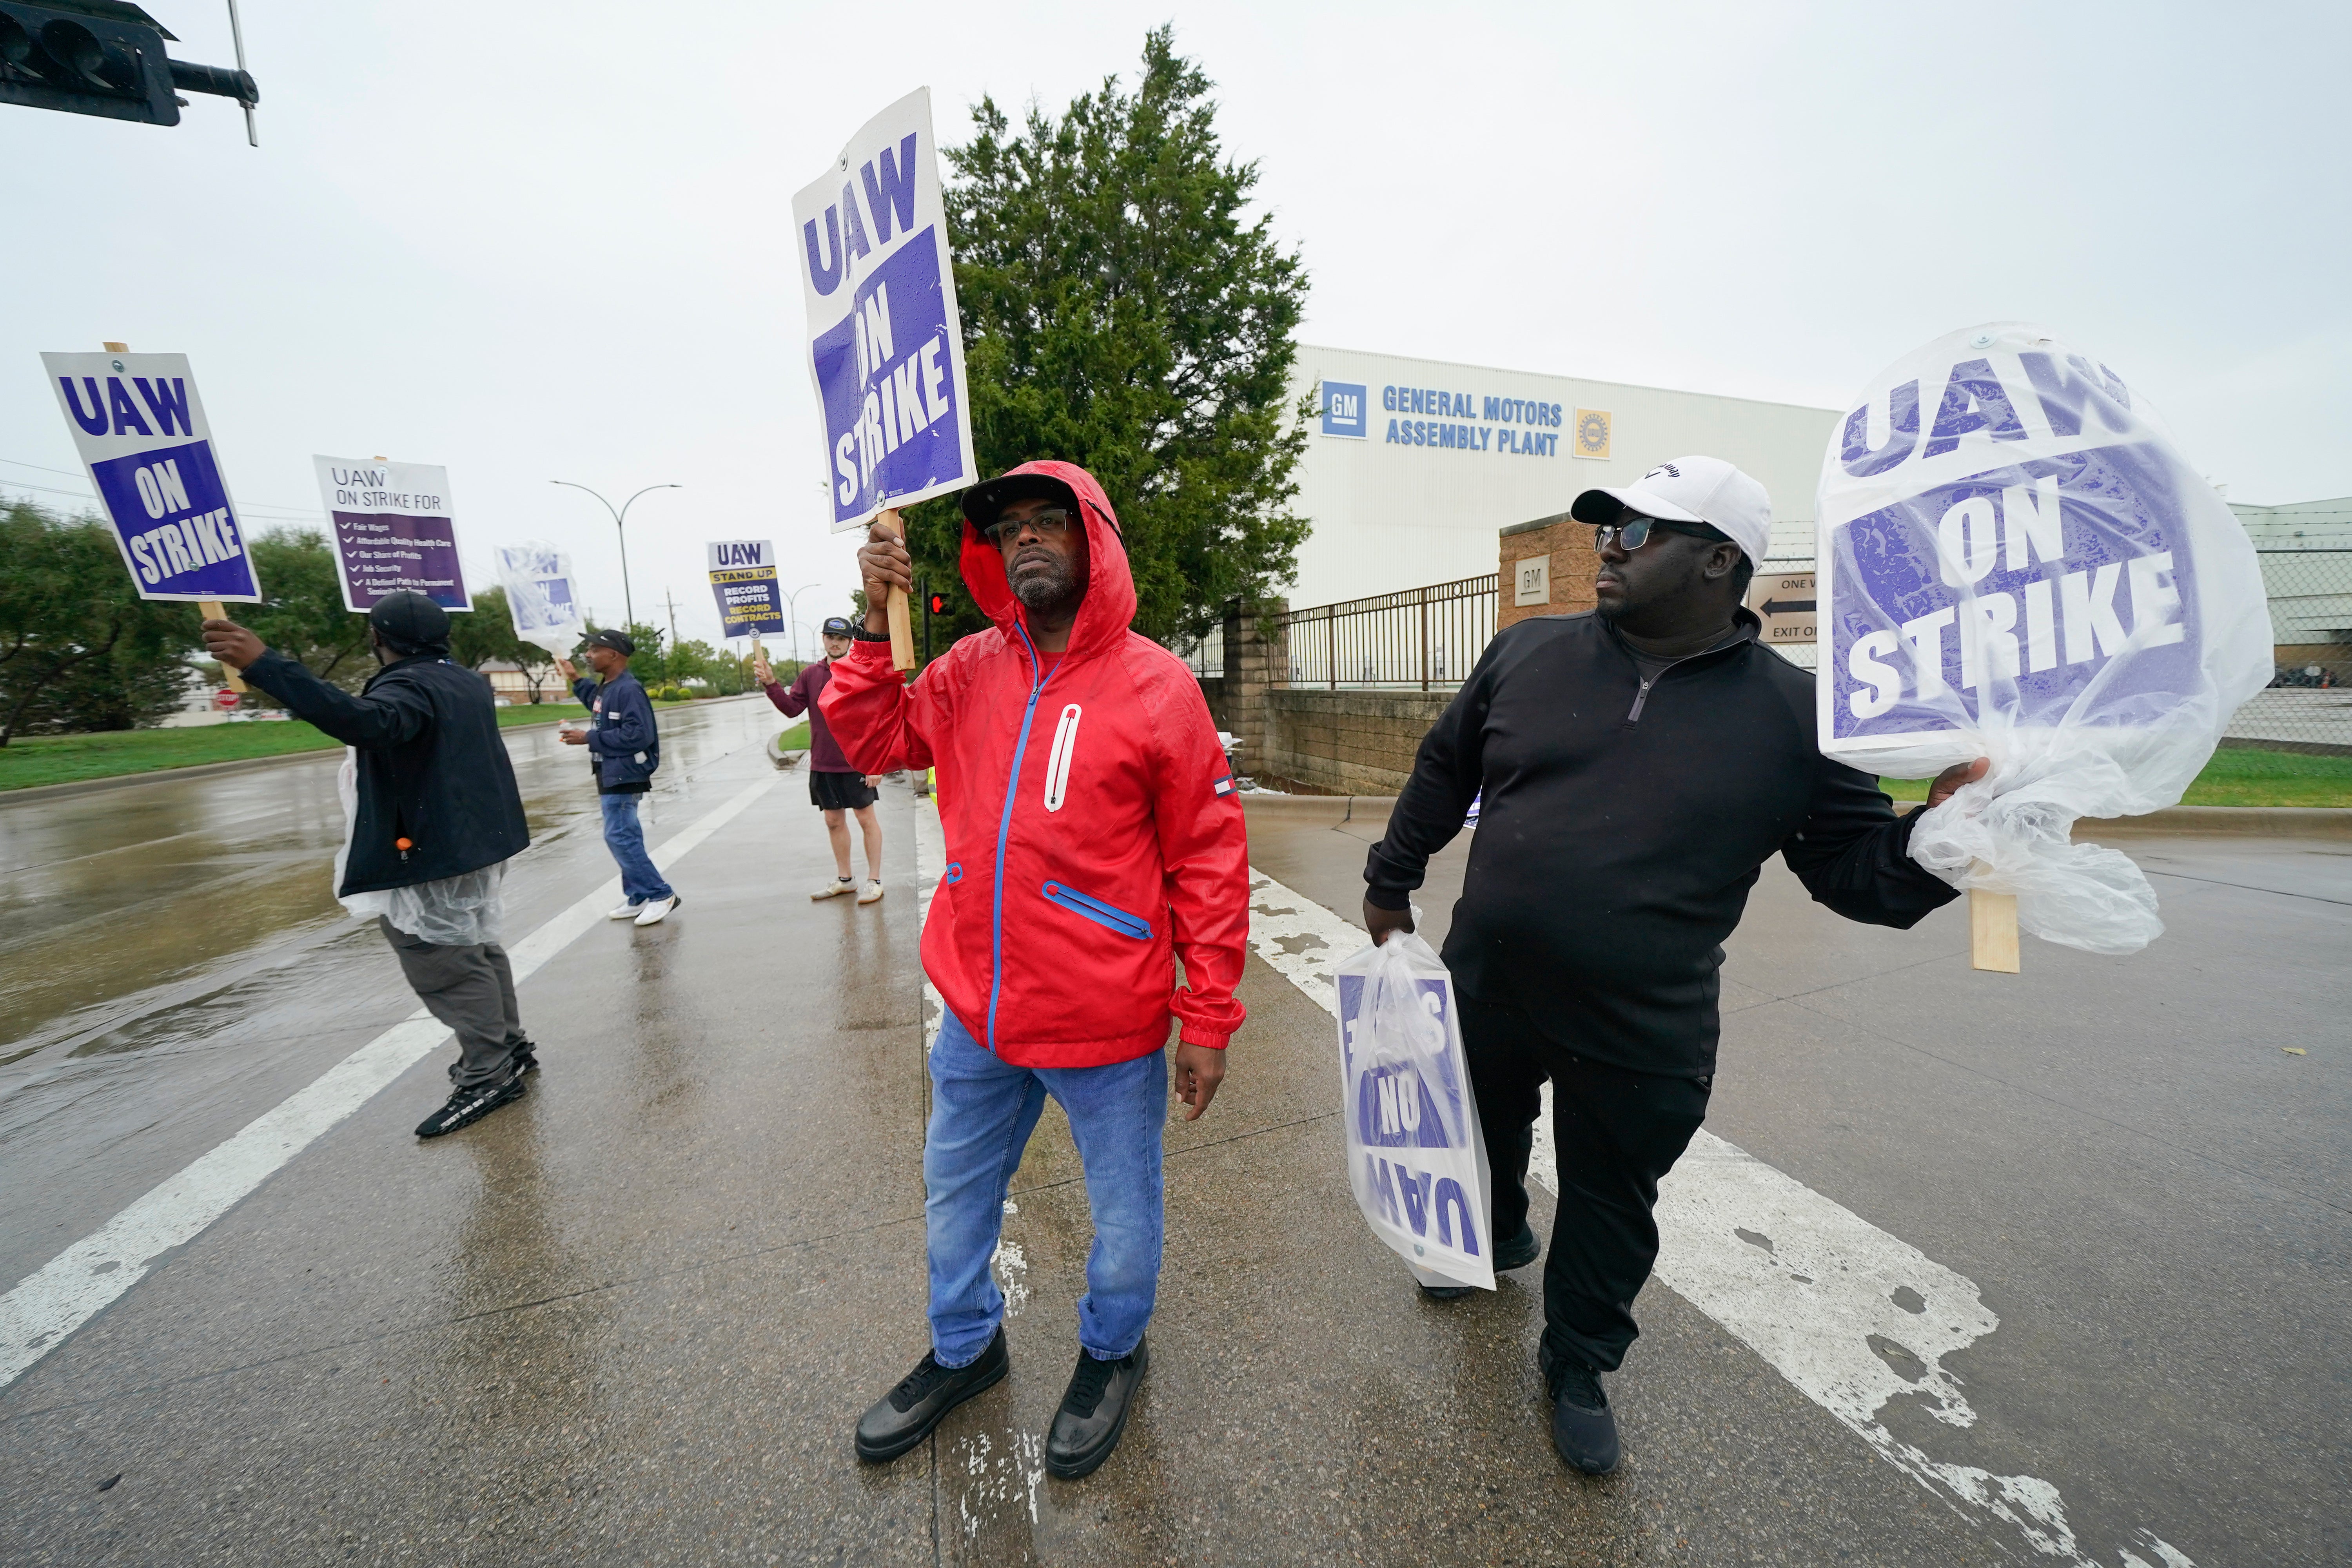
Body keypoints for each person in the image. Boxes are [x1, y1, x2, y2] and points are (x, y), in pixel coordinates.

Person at [1361, 457, 1987, 1476]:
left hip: (1642, 1020)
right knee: (1478, 1121)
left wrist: (1949, 834)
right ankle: (1500, 1228)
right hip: (1490, 979)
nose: (1607, 547)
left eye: (1638, 531)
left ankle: (1577, 1360)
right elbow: (1446, 764)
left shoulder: (1799, 718)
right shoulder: (1528, 652)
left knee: (1611, 1197)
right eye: (1606, 527)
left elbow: (1853, 873)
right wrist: (1391, 880)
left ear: (1719, 561)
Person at [827, 461, 1249, 1480]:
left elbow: (1208, 858)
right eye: (1008, 525)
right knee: (953, 1193)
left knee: (1125, 1219)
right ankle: (965, 1348)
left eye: (1047, 520)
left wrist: (1209, 1017)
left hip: (1106, 1021)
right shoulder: (968, 668)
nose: (1025, 537)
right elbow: (872, 734)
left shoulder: (1158, 685)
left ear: (1092, 537)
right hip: (979, 1012)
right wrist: (877, 616)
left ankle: (1114, 1349)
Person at [201, 592, 540, 1139]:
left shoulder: (411, 685)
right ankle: (509, 1047)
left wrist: (265, 665)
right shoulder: (464, 681)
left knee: (443, 957)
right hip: (471, 838)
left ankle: (489, 1073)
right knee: (474, 944)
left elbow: (369, 723)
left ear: (378, 638)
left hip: (432, 846)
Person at [755, 616, 884, 904]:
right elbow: (792, 708)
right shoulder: (810, 675)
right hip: (824, 763)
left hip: (857, 762)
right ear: (824, 639)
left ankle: (874, 881)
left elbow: (875, 718)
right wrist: (771, 684)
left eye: (841, 638)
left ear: (850, 642)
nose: (835, 643)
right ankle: (845, 880)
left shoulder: (861, 671)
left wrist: (876, 762)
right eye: (830, 637)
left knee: (866, 819)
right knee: (833, 821)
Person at [554, 629, 678, 927]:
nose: (588, 654)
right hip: (610, 771)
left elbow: (639, 735)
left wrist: (589, 738)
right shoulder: (608, 687)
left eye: (594, 649)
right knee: (625, 836)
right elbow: (596, 704)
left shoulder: (628, 689)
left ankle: (661, 894)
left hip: (625, 773)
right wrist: (574, 677)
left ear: (613, 655)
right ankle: (638, 895)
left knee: (619, 836)